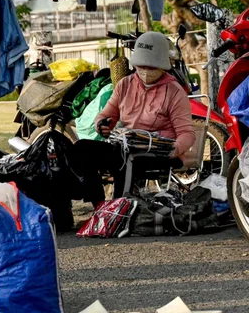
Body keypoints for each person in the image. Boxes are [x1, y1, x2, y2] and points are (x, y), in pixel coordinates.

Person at [74, 31, 196, 205]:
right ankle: (100, 205)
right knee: (82, 149)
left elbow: (187, 134)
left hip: (159, 153)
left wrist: (173, 149)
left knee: (127, 158)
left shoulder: (174, 91)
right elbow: (106, 114)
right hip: (126, 147)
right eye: (141, 66)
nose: (145, 71)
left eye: (151, 67)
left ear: (162, 66)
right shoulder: (125, 84)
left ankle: (119, 206)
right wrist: (101, 124)